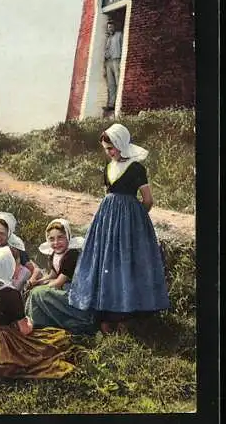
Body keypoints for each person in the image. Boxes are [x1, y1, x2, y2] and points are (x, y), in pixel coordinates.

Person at [68, 124, 170, 334]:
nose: (110, 153)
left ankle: (126, 315)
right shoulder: (108, 168)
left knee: (126, 263)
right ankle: (106, 314)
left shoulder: (136, 168)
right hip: (106, 220)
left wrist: (136, 222)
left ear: (122, 144)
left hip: (130, 221)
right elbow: (108, 194)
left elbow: (148, 200)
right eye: (106, 149)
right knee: (107, 261)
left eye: (112, 148)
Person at [0, 246, 80, 379]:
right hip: (8, 340)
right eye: (17, 265)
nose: (20, 269)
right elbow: (25, 330)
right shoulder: (12, 294)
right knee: (56, 339)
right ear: (9, 267)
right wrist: (30, 322)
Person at [25, 219, 96, 335]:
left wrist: (39, 288)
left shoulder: (71, 255)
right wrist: (37, 281)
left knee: (37, 293)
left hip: (74, 294)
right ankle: (37, 323)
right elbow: (52, 274)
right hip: (62, 287)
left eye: (60, 238)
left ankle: (36, 323)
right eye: (51, 239)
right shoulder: (55, 253)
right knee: (34, 290)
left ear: (68, 237)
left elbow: (59, 281)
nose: (56, 243)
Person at [0, 211, 41, 290]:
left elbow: (34, 268)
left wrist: (31, 280)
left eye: (2, 233)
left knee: (24, 273)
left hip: (9, 282)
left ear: (9, 233)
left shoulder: (15, 247)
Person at [103, 20, 123, 111]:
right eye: (108, 27)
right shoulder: (108, 38)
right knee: (111, 83)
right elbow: (106, 49)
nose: (109, 29)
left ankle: (119, 103)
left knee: (118, 81)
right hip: (108, 62)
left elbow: (123, 47)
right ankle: (111, 104)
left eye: (111, 27)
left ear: (114, 27)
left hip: (116, 60)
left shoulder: (119, 35)